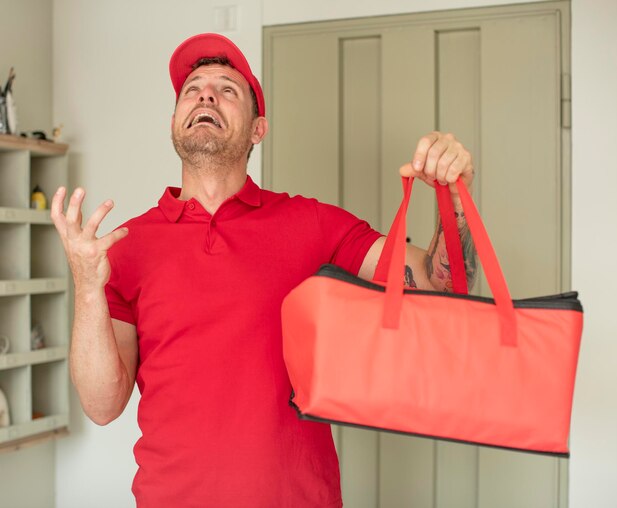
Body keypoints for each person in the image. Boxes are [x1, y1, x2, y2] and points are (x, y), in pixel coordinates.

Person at [51, 33, 476, 507]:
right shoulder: (127, 247)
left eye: (227, 89)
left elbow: (440, 283)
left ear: (258, 129)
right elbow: (101, 405)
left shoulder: (311, 223)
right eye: (192, 89)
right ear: (174, 121)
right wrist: (88, 287)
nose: (206, 95)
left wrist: (455, 200)